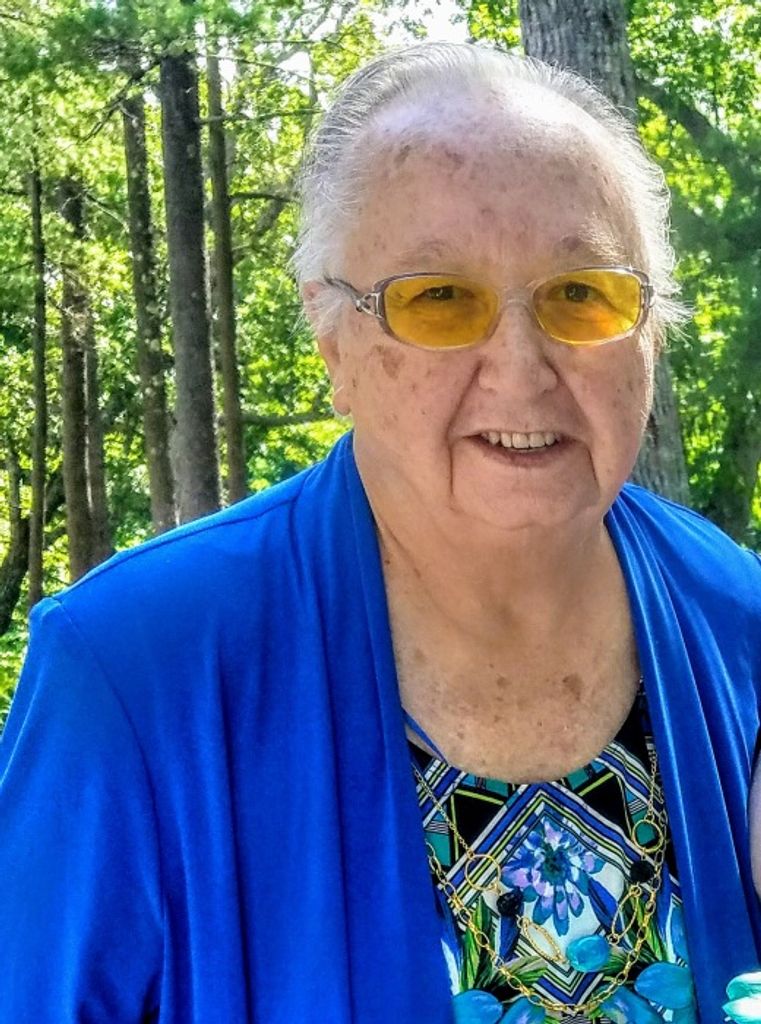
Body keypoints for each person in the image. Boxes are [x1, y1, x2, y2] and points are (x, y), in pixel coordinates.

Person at [1, 41, 760, 1024]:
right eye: (438, 299)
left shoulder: (738, 624)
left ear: (647, 332)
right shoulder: (131, 673)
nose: (521, 367)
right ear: (332, 341)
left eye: (581, 294)